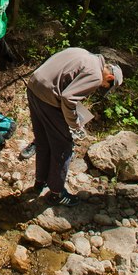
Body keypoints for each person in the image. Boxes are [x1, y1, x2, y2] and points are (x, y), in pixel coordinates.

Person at [26, 47, 123, 205]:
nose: (101, 86)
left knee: (42, 140)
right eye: (105, 85)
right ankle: (56, 193)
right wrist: (75, 124)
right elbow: (68, 98)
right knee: (63, 146)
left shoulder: (82, 53)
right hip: (49, 97)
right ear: (110, 77)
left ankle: (40, 182)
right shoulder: (96, 75)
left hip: (33, 87)